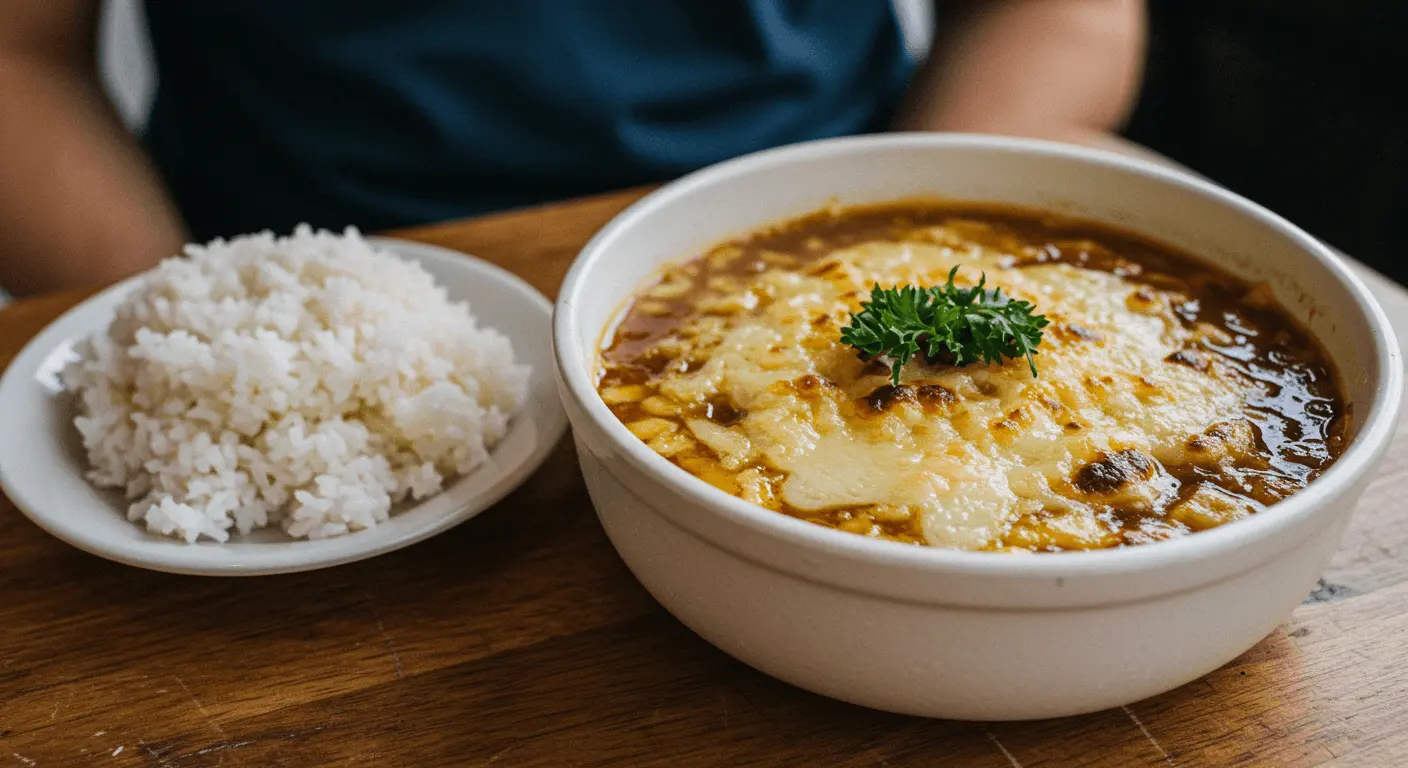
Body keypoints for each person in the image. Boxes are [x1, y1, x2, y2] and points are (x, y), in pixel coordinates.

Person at [0, 1, 1146, 297]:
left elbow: (1062, 11)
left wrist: (913, 251)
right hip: (281, 266)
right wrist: (174, 333)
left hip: (844, 229)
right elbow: (20, 54)